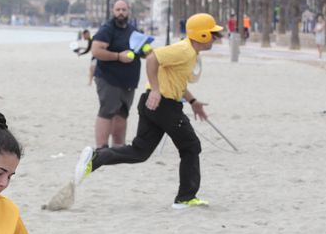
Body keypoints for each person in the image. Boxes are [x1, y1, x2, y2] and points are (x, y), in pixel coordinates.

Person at [72, 12, 223, 209]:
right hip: (163, 105)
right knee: (191, 146)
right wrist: (157, 90)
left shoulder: (189, 52)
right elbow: (152, 58)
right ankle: (185, 198)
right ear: (202, 35)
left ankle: (96, 157)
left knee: (139, 152)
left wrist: (193, 101)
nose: (216, 37)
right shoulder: (183, 50)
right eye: (212, 33)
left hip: (153, 104)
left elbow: (176, 80)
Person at [90, 0, 141, 148]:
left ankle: (118, 146)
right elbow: (96, 50)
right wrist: (118, 56)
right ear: (113, 11)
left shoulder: (133, 30)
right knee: (107, 111)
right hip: (108, 78)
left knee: (122, 113)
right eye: (118, 9)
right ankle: (101, 147)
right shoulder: (107, 29)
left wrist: (146, 51)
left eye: (124, 10)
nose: (121, 13)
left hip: (129, 80)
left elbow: (141, 49)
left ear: (128, 11)